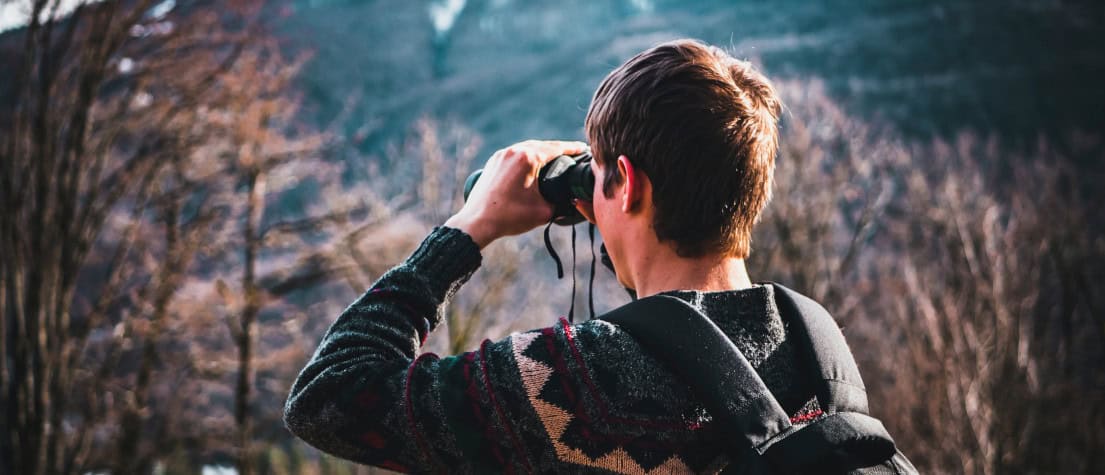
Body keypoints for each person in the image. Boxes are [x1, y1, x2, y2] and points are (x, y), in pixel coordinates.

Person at [285, 39, 832, 473]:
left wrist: (468, 229)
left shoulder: (577, 387)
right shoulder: (818, 354)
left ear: (629, 184)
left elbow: (329, 396)